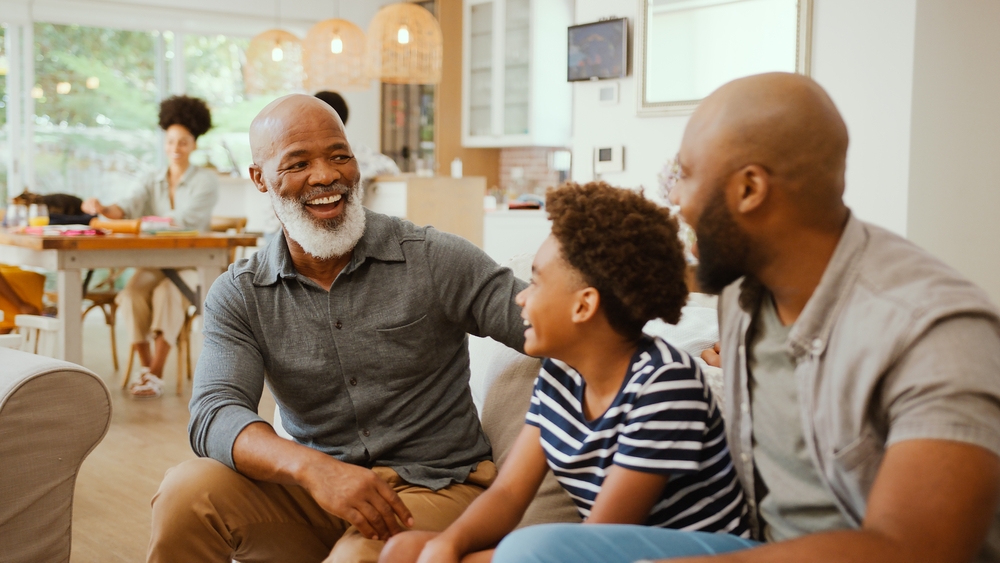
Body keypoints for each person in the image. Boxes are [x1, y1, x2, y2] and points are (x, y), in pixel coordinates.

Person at [489, 72, 1000, 563]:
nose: (674, 198)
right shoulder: (743, 292)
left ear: (750, 190)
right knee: (533, 551)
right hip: (755, 547)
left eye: (683, 175)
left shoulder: (936, 334)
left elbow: (919, 551)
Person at [145, 94, 526, 563]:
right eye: (298, 162)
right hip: (318, 493)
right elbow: (213, 412)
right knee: (186, 493)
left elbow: (547, 322)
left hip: (436, 488)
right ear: (260, 179)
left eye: (339, 156)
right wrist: (313, 470)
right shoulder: (241, 293)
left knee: (354, 558)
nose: (326, 175)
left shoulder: (432, 257)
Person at [380, 182, 751, 563]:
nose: (521, 297)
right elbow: (508, 494)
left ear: (583, 306)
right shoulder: (560, 374)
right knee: (403, 550)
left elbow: (600, 541)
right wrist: (449, 543)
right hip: (603, 547)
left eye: (537, 282)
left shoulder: (666, 386)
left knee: (529, 551)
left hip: (689, 554)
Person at [82, 95, 219, 398]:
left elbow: (184, 221)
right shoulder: (151, 179)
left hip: (191, 264)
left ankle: (154, 373)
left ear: (194, 144)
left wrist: (145, 221)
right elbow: (127, 208)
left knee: (167, 294)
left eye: (183, 142)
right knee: (130, 294)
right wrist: (104, 208)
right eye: (170, 141)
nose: (175, 148)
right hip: (156, 263)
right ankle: (148, 371)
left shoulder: (206, 182)